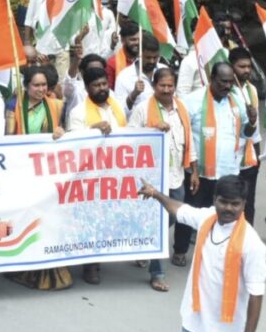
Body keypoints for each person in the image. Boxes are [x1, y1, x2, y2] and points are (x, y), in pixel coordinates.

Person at [138, 176, 266, 332]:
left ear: (244, 204)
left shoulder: (251, 244)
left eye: (235, 204)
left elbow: (256, 293)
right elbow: (180, 209)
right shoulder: (207, 218)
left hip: (227, 328)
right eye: (223, 201)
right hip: (195, 318)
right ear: (215, 199)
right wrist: (156, 194)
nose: (228, 208)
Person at [172, 63, 254, 268]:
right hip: (200, 172)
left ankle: (221, 252)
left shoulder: (237, 101)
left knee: (226, 215)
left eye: (230, 82)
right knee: (190, 212)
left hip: (228, 170)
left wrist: (252, 123)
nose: (227, 86)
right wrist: (193, 169)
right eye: (223, 82)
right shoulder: (192, 101)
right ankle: (180, 250)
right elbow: (186, 136)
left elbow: (246, 134)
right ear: (211, 79)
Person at [129, 68, 196, 292]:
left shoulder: (181, 108)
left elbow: (189, 140)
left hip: (176, 175)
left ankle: (144, 241)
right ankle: (157, 273)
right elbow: (128, 140)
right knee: (158, 223)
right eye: (162, 86)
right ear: (154, 86)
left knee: (177, 215)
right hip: (153, 176)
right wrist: (152, 129)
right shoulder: (142, 109)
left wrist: (193, 170)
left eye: (170, 86)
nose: (166, 90)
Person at [64, 66, 126, 286]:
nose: (102, 88)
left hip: (113, 173)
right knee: (89, 220)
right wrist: (93, 129)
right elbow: (72, 143)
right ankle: (90, 265)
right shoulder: (78, 112)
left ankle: (98, 258)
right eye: (96, 85)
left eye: (104, 84)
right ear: (87, 88)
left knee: (105, 219)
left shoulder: (116, 107)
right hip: (89, 175)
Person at [229, 48, 261, 225]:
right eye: (242, 67)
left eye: (249, 66)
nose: (247, 70)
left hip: (248, 157)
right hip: (228, 157)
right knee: (229, 200)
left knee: (248, 202)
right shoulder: (224, 90)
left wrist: (258, 153)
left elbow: (255, 130)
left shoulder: (252, 90)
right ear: (231, 67)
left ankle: (247, 238)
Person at [115, 34, 168, 116]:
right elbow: (119, 112)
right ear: (139, 54)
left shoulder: (165, 71)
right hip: (138, 127)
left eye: (155, 57)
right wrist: (134, 94)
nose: (152, 61)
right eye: (148, 57)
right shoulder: (124, 77)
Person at [106, 20, 140, 90]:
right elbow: (110, 91)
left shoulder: (145, 60)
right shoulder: (112, 63)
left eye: (139, 39)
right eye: (133, 40)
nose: (137, 43)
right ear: (122, 40)